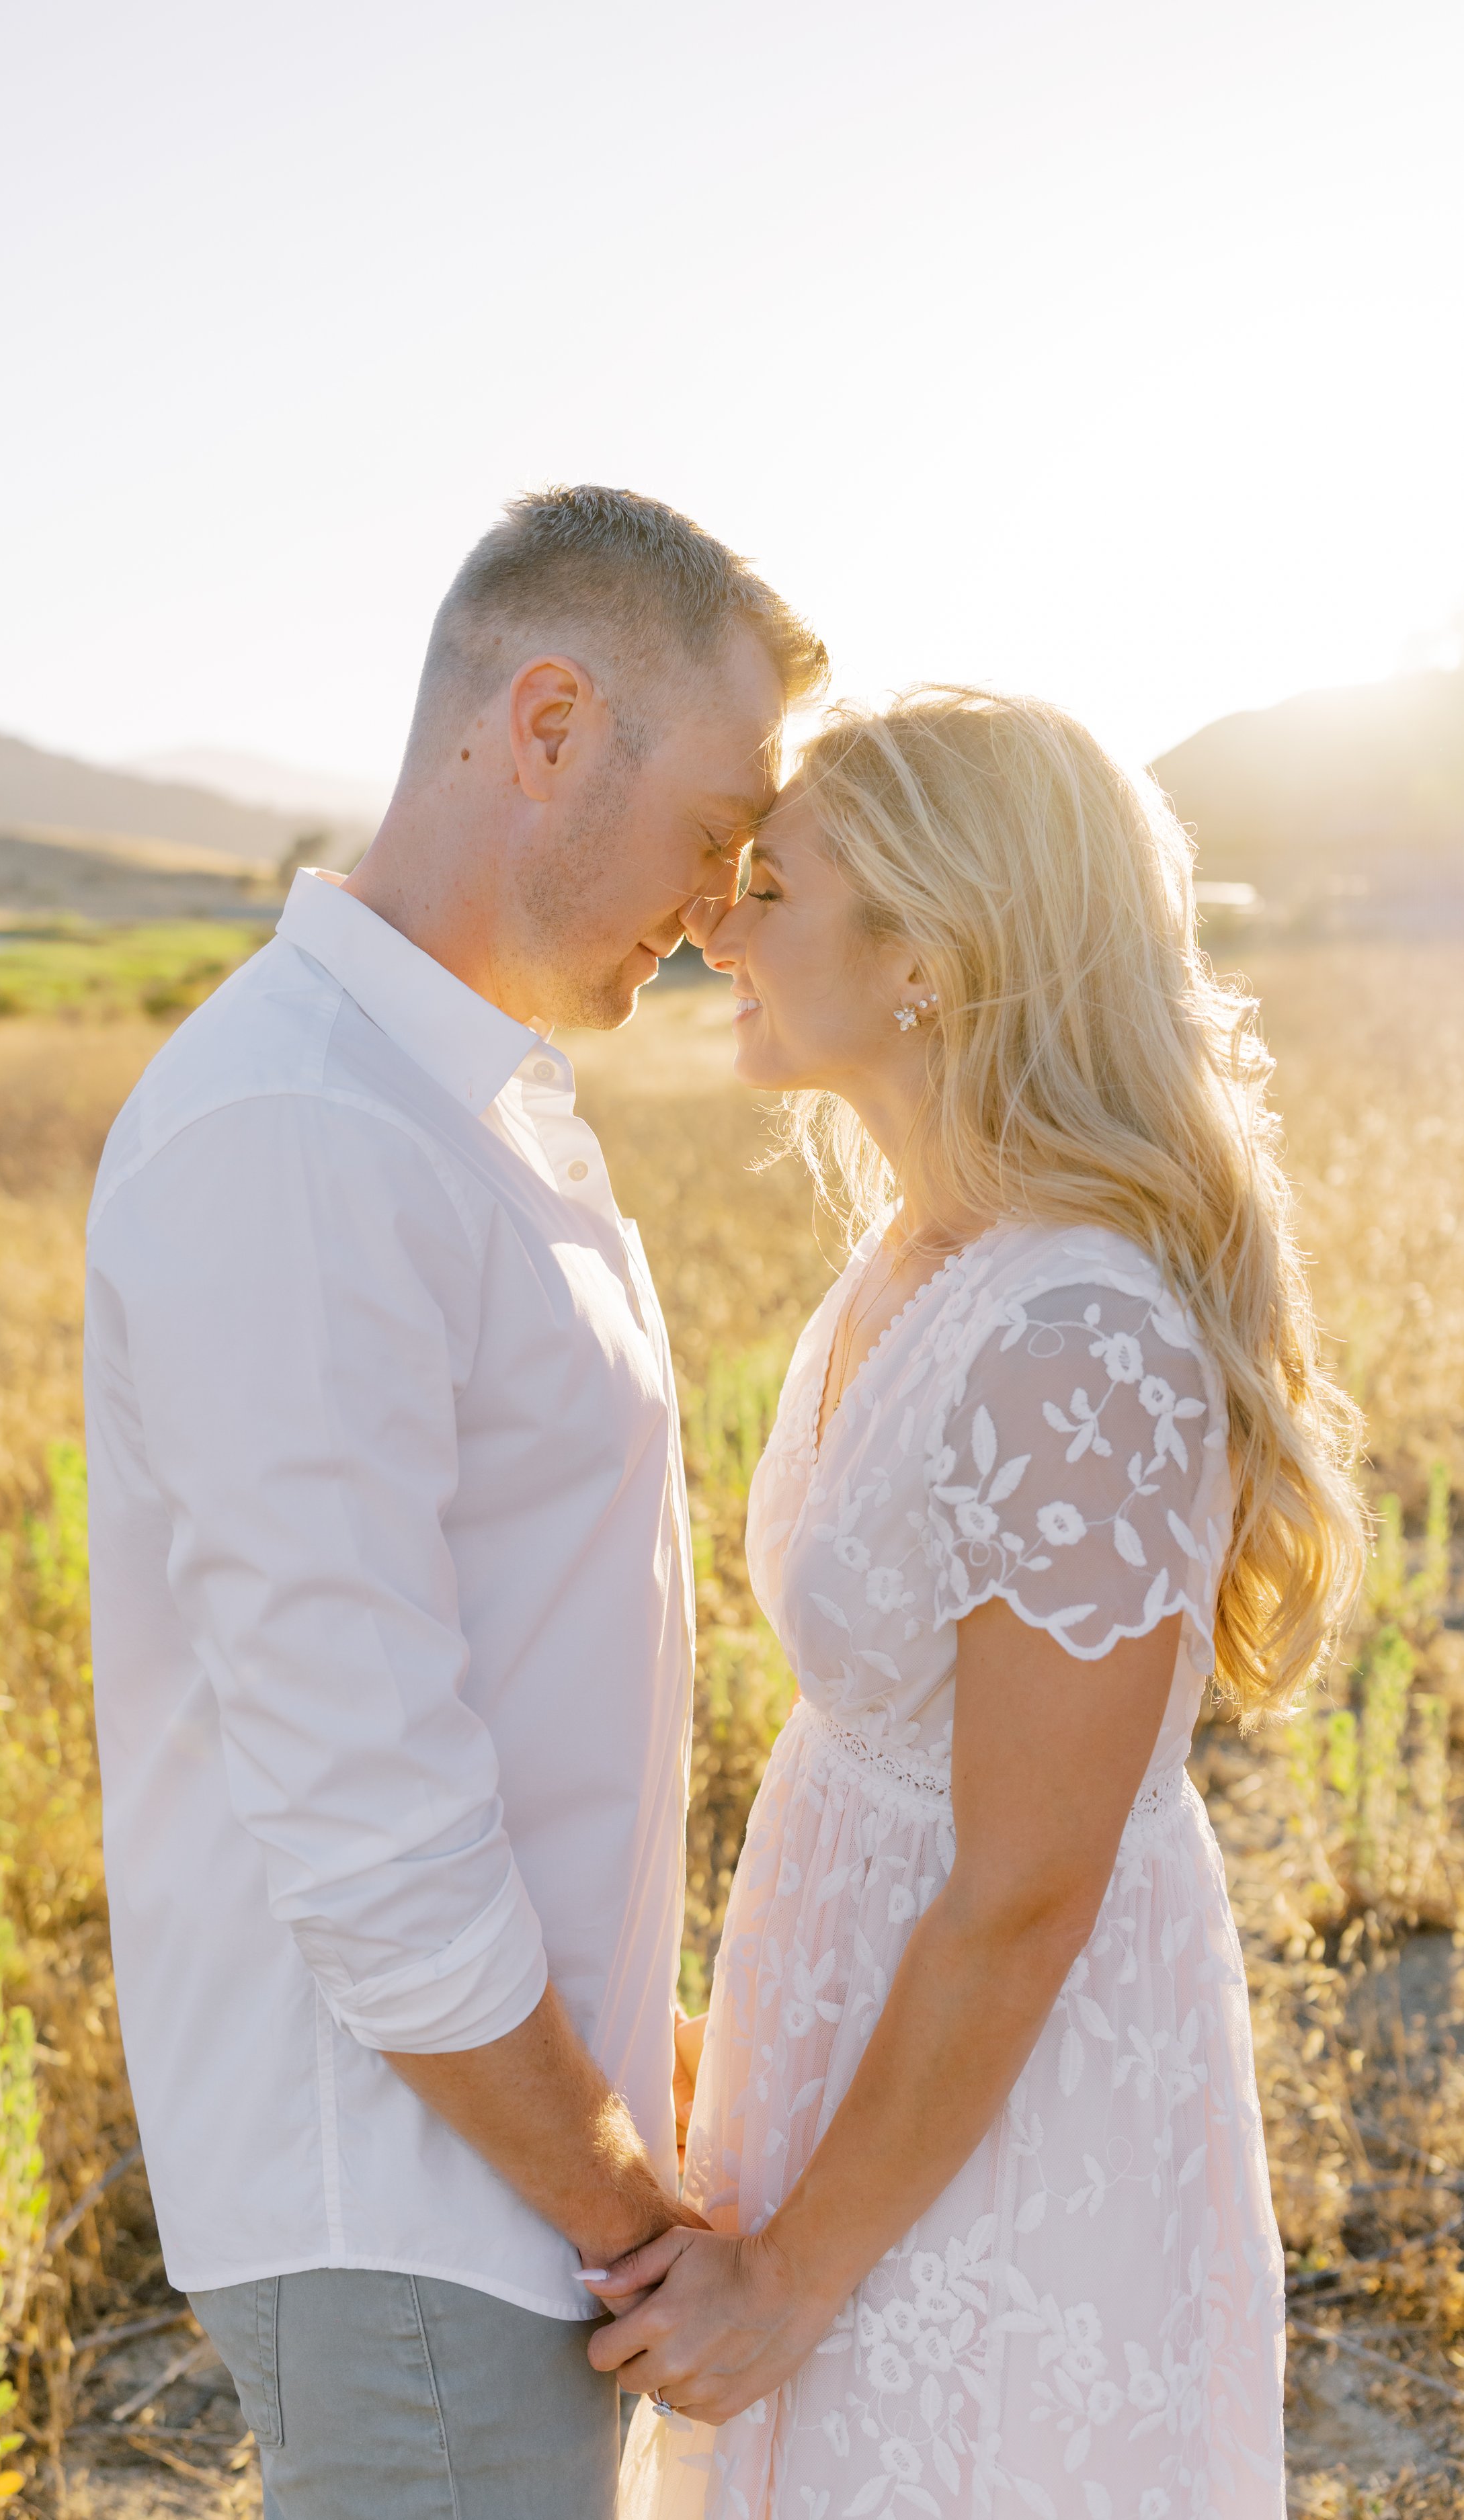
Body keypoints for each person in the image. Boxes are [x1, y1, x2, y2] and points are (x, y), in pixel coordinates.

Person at [83, 485, 825, 2520]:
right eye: (714, 825)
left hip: (484, 2192)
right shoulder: (302, 1131)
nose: (722, 896)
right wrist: (616, 2201)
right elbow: (362, 1796)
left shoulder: (452, 1098)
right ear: (552, 722)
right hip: (422, 2208)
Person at [585, 687, 1365, 2519]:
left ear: (925, 955)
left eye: (769, 886)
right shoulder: (915, 1254)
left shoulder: (1080, 1336)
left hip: (1001, 2088)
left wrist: (789, 2277)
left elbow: (1023, 1888)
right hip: (858, 2013)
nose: (714, 919)